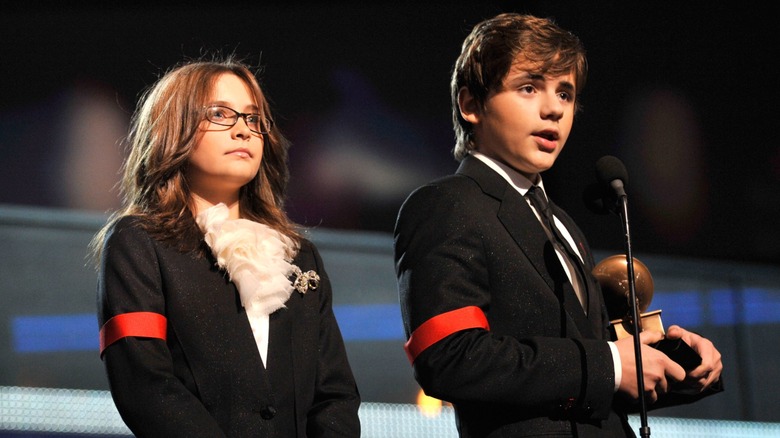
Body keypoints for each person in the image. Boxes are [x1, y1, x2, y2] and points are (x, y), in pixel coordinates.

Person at [394, 13, 723, 437]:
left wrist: (681, 366)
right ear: (470, 104)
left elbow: (595, 374)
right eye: (529, 87)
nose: (553, 109)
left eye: (565, 93)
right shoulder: (445, 204)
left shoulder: (565, 226)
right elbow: (449, 356)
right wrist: (609, 364)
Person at [91, 56, 361, 437]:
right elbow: (147, 386)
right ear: (174, 127)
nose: (243, 131)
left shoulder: (300, 255)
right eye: (220, 114)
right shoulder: (138, 242)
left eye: (253, 118)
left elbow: (335, 395)